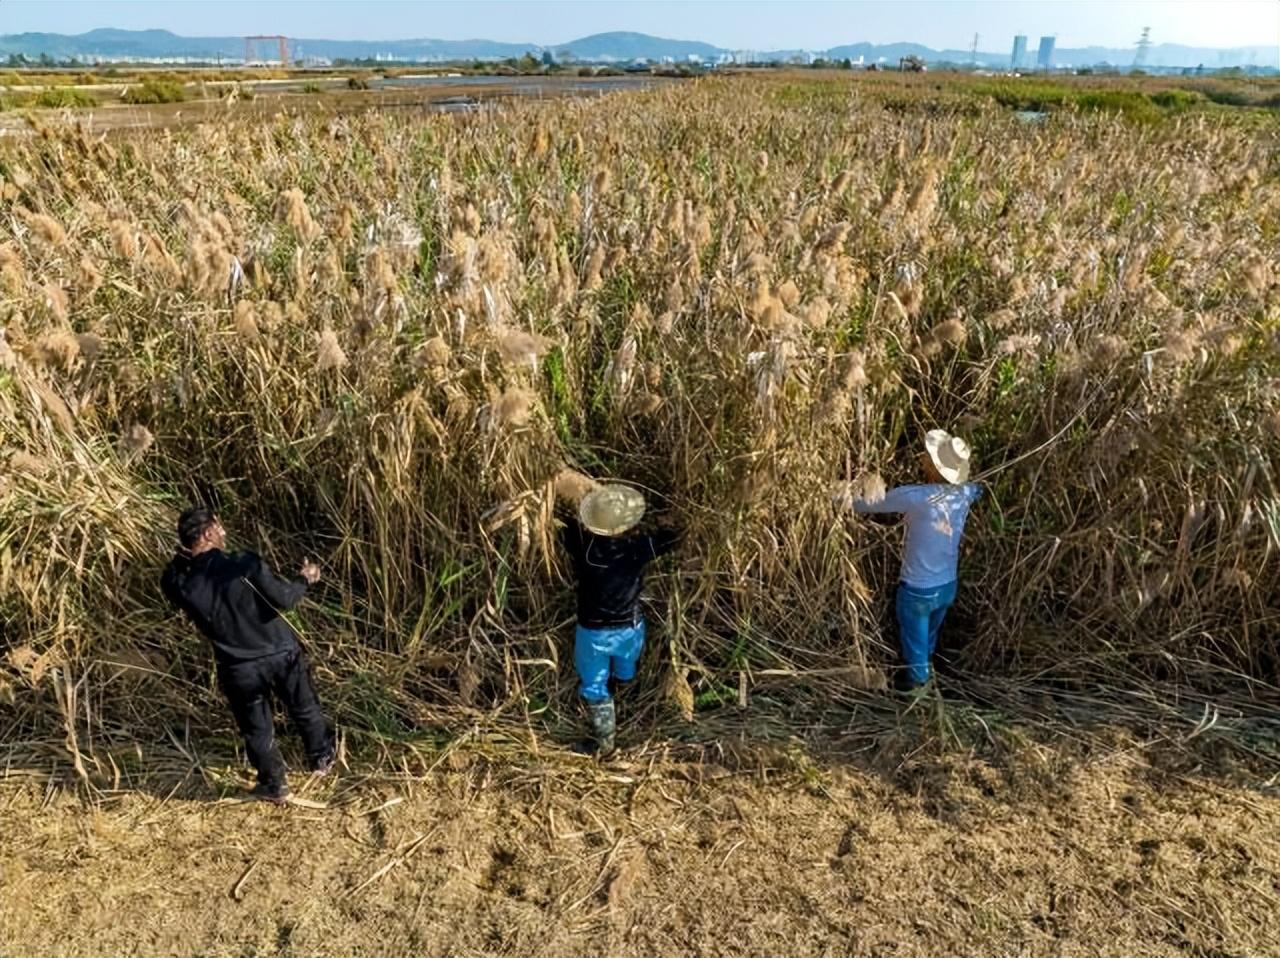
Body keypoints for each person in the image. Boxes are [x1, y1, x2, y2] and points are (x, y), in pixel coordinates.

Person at [160, 506, 336, 803]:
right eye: (219, 527)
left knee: (257, 727)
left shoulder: (181, 585)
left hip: (238, 666)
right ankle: (322, 759)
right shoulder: (244, 563)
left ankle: (274, 783)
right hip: (280, 651)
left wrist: (187, 551)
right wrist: (305, 579)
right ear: (208, 533)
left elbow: (171, 572)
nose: (224, 533)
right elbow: (284, 599)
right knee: (304, 707)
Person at [837, 429, 982, 694]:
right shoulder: (965, 494)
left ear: (936, 468)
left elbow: (867, 504)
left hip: (918, 591)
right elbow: (978, 489)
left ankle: (919, 695)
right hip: (947, 587)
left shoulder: (916, 497)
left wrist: (835, 497)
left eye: (927, 457)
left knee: (914, 644)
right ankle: (926, 674)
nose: (921, 457)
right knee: (926, 639)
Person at [560, 484, 679, 756]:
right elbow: (669, 540)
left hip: (593, 634)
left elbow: (565, 528)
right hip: (630, 630)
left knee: (594, 684)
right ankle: (626, 694)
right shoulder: (636, 548)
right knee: (626, 668)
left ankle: (605, 743)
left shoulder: (584, 548)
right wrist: (666, 522)